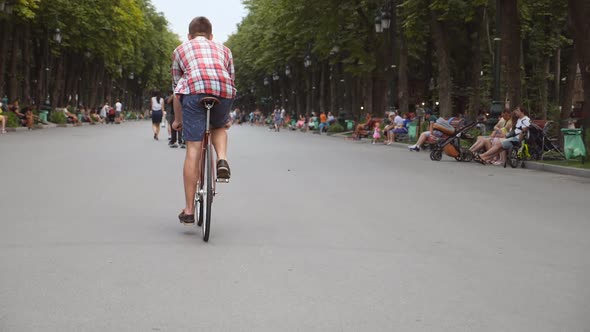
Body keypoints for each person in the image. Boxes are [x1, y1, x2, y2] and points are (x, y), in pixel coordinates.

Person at [171, 16, 236, 224]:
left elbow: (177, 88)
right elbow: (230, 82)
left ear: (189, 36)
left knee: (193, 149)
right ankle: (222, 159)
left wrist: (177, 121)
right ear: (211, 35)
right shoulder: (225, 50)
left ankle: (189, 210)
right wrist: (225, 117)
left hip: (193, 92)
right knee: (219, 127)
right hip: (223, 92)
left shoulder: (181, 49)